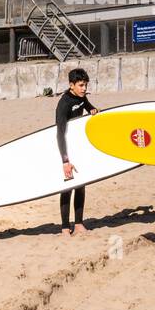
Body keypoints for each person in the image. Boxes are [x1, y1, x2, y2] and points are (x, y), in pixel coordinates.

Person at [55, 68, 98, 235]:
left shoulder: (81, 97)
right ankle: (65, 227)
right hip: (65, 147)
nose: (84, 89)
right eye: (81, 85)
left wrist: (93, 111)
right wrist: (65, 161)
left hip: (78, 145)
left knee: (81, 185)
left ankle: (79, 223)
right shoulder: (64, 104)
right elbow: (60, 133)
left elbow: (89, 107)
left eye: (85, 85)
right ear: (71, 85)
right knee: (67, 187)